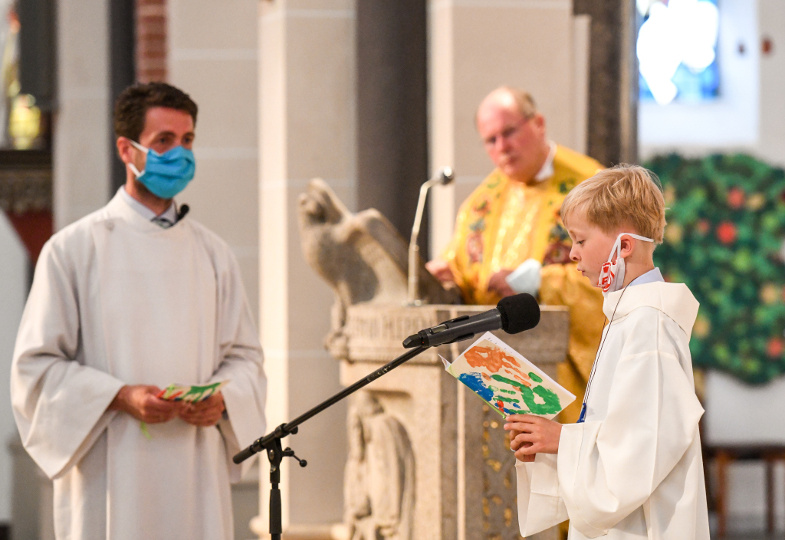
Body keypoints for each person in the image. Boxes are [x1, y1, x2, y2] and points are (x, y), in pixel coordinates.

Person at [10, 82, 267, 539]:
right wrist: (120, 396)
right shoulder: (73, 250)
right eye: (163, 141)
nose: (180, 154)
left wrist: (223, 399)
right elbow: (36, 369)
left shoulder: (213, 254)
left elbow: (245, 358)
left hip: (195, 472)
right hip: (111, 474)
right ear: (126, 150)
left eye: (187, 140)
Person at [504, 164, 710, 539]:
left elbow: (642, 450)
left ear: (623, 246)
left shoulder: (649, 324)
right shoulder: (628, 317)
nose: (571, 254)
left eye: (580, 241)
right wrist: (549, 447)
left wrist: (561, 439)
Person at [427, 85, 605, 422]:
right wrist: (446, 277)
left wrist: (537, 282)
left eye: (509, 132)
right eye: (490, 140)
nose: (502, 148)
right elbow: (463, 271)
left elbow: (616, 278)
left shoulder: (591, 186)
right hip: (498, 377)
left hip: (562, 377)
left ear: (538, 123)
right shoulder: (483, 202)